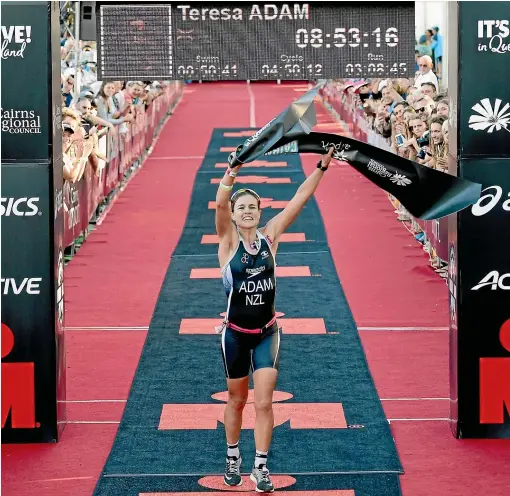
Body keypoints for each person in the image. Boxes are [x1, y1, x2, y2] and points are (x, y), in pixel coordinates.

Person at [214, 147, 335, 493]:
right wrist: (232, 170)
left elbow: (300, 197)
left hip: (268, 333)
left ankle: (261, 467)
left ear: (259, 211)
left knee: (265, 402)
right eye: (242, 208)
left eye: (253, 207)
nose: (248, 211)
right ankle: (232, 457)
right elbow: (220, 203)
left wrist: (321, 167)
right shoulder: (227, 243)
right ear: (235, 216)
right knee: (237, 401)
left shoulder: (271, 237)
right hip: (235, 336)